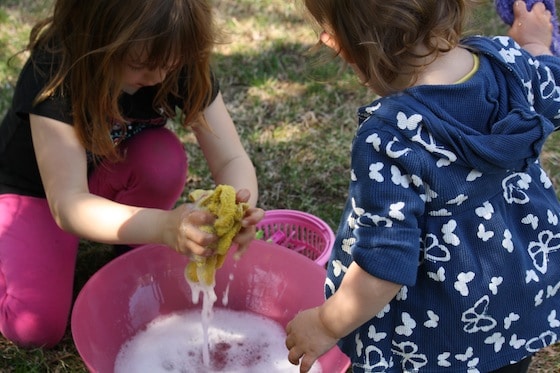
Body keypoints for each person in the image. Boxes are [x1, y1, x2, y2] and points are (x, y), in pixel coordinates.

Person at [285, 1, 560, 372]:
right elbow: (552, 89)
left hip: (433, 342)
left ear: (346, 47)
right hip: (516, 312)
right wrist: (537, 47)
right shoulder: (511, 63)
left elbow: (385, 263)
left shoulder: (388, 138)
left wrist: (324, 324)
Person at [0, 0, 264, 349]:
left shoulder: (170, 51)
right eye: (141, 65)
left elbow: (231, 157)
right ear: (96, 38)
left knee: (161, 160)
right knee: (34, 328)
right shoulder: (58, 69)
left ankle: (128, 247)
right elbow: (68, 203)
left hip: (105, 173)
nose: (157, 77)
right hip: (39, 192)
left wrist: (239, 208)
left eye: (169, 66)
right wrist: (164, 227)